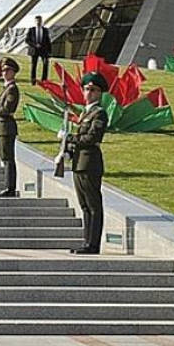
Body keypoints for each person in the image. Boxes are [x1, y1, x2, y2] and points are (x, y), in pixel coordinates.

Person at [61, 73, 109, 254]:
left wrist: (70, 137)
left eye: (93, 90)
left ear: (99, 93)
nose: (89, 93)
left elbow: (92, 137)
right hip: (79, 162)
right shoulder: (86, 113)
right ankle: (87, 241)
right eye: (87, 89)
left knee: (93, 205)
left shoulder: (99, 113)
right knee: (84, 205)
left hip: (90, 162)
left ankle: (93, 244)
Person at [0, 59, 20, 197]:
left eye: (8, 70)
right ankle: (8, 186)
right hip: (1, 126)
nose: (5, 73)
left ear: (13, 72)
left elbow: (7, 109)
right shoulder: (6, 88)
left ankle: (10, 188)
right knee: (4, 157)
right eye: (3, 71)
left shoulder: (12, 89)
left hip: (6, 127)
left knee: (8, 158)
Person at [26, 15, 51, 85]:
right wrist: (35, 45)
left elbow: (48, 41)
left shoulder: (45, 30)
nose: (38, 22)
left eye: (39, 21)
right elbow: (27, 40)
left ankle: (44, 80)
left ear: (41, 21)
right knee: (34, 65)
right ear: (35, 21)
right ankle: (33, 80)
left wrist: (49, 51)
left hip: (43, 50)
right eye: (37, 21)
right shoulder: (31, 30)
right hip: (34, 50)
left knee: (46, 64)